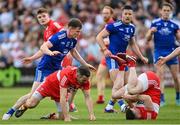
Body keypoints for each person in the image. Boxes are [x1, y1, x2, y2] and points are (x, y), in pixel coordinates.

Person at [2, 17, 95, 120]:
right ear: (70, 28)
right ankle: (11, 111)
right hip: (44, 68)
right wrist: (50, 53)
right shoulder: (59, 36)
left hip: (56, 70)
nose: (78, 34)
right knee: (31, 96)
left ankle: (60, 115)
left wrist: (85, 64)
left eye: (80, 32)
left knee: (62, 93)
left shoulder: (73, 40)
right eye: (77, 31)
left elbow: (73, 52)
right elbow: (43, 47)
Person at [96, 5, 148, 113]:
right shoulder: (114, 26)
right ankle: (123, 106)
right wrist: (105, 50)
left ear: (132, 15)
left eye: (130, 14)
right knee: (118, 85)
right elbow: (99, 37)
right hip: (113, 58)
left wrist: (141, 56)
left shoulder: (132, 28)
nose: (128, 16)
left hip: (123, 60)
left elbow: (133, 44)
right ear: (122, 15)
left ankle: (109, 106)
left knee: (128, 84)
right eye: (126, 14)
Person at [14, 66, 96, 121]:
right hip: (49, 85)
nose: (86, 82)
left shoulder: (85, 81)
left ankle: (51, 116)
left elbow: (88, 97)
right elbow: (63, 97)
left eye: (87, 80)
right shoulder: (67, 75)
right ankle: (24, 106)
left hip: (60, 90)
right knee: (32, 104)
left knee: (61, 117)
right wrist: (67, 117)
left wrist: (91, 115)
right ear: (78, 75)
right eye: (84, 80)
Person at [146, 3, 180, 106]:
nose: (166, 12)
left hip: (171, 52)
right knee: (160, 76)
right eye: (164, 10)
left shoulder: (174, 25)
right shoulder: (155, 23)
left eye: (168, 11)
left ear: (170, 12)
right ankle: (162, 98)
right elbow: (147, 38)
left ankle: (178, 96)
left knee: (176, 77)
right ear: (161, 11)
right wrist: (151, 32)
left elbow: (178, 38)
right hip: (159, 52)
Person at [110, 53, 161, 120]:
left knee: (114, 95)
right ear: (137, 115)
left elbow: (131, 102)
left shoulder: (135, 112)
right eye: (133, 109)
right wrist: (129, 97)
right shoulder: (148, 115)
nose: (133, 108)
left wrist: (127, 99)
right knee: (131, 90)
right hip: (153, 83)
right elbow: (147, 98)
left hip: (140, 88)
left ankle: (122, 66)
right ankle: (132, 63)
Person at [96, 6, 114, 104]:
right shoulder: (107, 24)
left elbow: (114, 39)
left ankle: (121, 102)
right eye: (103, 13)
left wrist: (104, 45)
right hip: (107, 54)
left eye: (107, 13)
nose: (104, 15)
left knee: (116, 80)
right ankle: (101, 98)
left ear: (111, 14)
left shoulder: (111, 24)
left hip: (113, 55)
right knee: (99, 75)